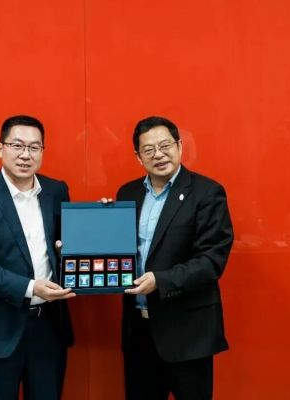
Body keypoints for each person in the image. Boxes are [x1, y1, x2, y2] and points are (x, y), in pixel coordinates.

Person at [0, 115, 75, 400]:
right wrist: (32, 288)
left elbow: (69, 244)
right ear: (1, 149)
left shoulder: (56, 191)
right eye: (17, 145)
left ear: (42, 151)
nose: (25, 155)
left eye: (34, 147)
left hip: (48, 329)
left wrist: (104, 216)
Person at [116, 116, 233, 400]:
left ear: (179, 146)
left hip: (188, 333)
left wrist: (161, 280)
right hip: (139, 332)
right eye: (148, 149)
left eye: (165, 145)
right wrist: (100, 224)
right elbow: (118, 250)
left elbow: (211, 260)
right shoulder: (127, 193)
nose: (158, 154)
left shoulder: (207, 192)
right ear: (138, 156)